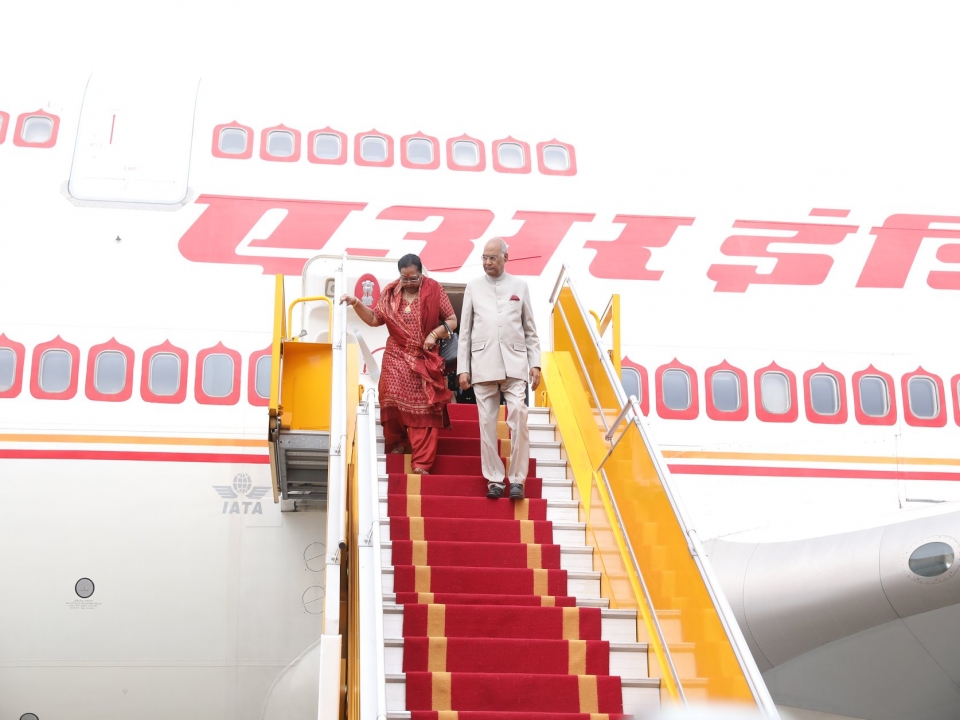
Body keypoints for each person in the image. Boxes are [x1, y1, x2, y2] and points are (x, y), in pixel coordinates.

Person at [340, 254, 456, 474]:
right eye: (405, 278)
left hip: (423, 356)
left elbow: (452, 320)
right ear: (399, 275)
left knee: (425, 406)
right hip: (396, 354)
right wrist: (355, 303)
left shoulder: (434, 290)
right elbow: (375, 319)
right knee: (391, 396)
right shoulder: (390, 293)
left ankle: (422, 462)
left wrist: (434, 334)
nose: (409, 282)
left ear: (421, 274)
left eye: (414, 278)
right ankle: (399, 443)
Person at [457, 238, 541, 500]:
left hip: (515, 366)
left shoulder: (520, 286)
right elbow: (465, 333)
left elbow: (530, 330)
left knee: (518, 417)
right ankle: (495, 479)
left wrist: (535, 363)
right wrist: (463, 368)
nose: (487, 263)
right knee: (486, 424)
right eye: (484, 257)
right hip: (483, 365)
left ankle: (517, 479)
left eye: (493, 258)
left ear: (506, 257)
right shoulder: (473, 287)